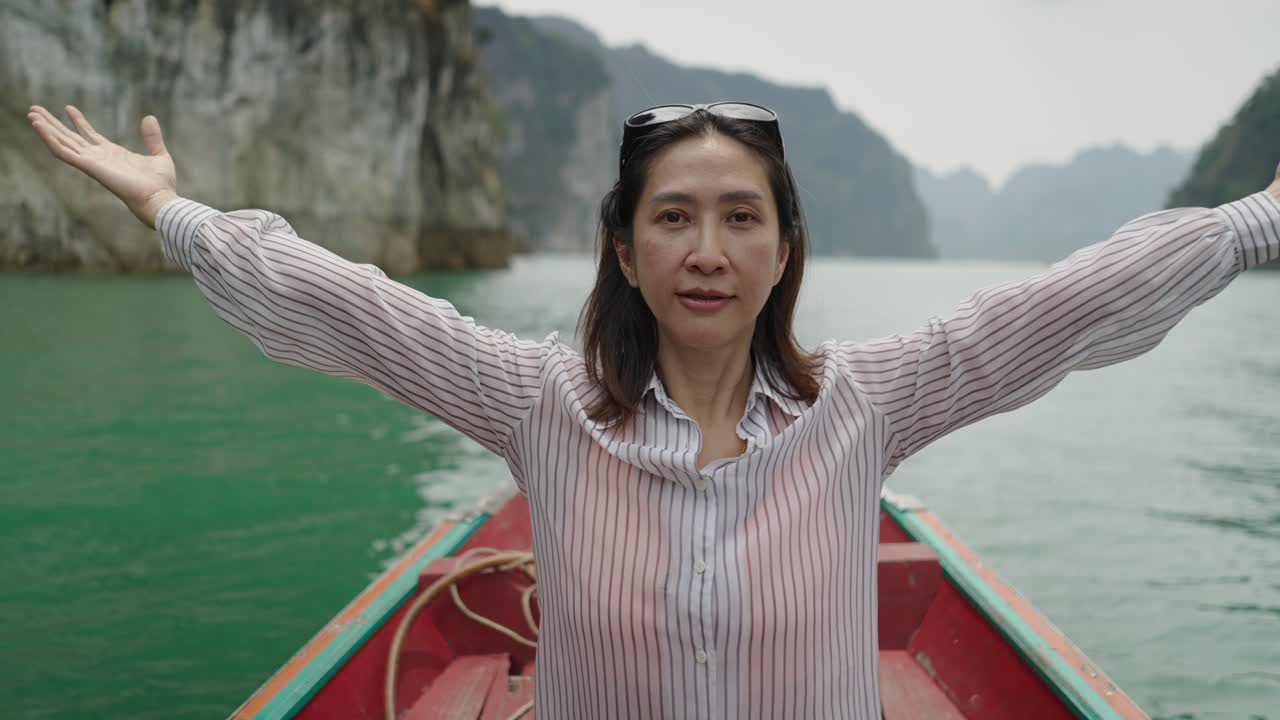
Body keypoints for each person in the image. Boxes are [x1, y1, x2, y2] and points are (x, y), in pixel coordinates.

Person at [25, 101, 1280, 720]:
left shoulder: (864, 404)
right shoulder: (540, 406)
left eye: (741, 217)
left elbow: (1057, 307)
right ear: (624, 253)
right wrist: (169, 211)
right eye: (672, 217)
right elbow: (357, 308)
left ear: (783, 250)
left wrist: (1258, 219)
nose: (707, 249)